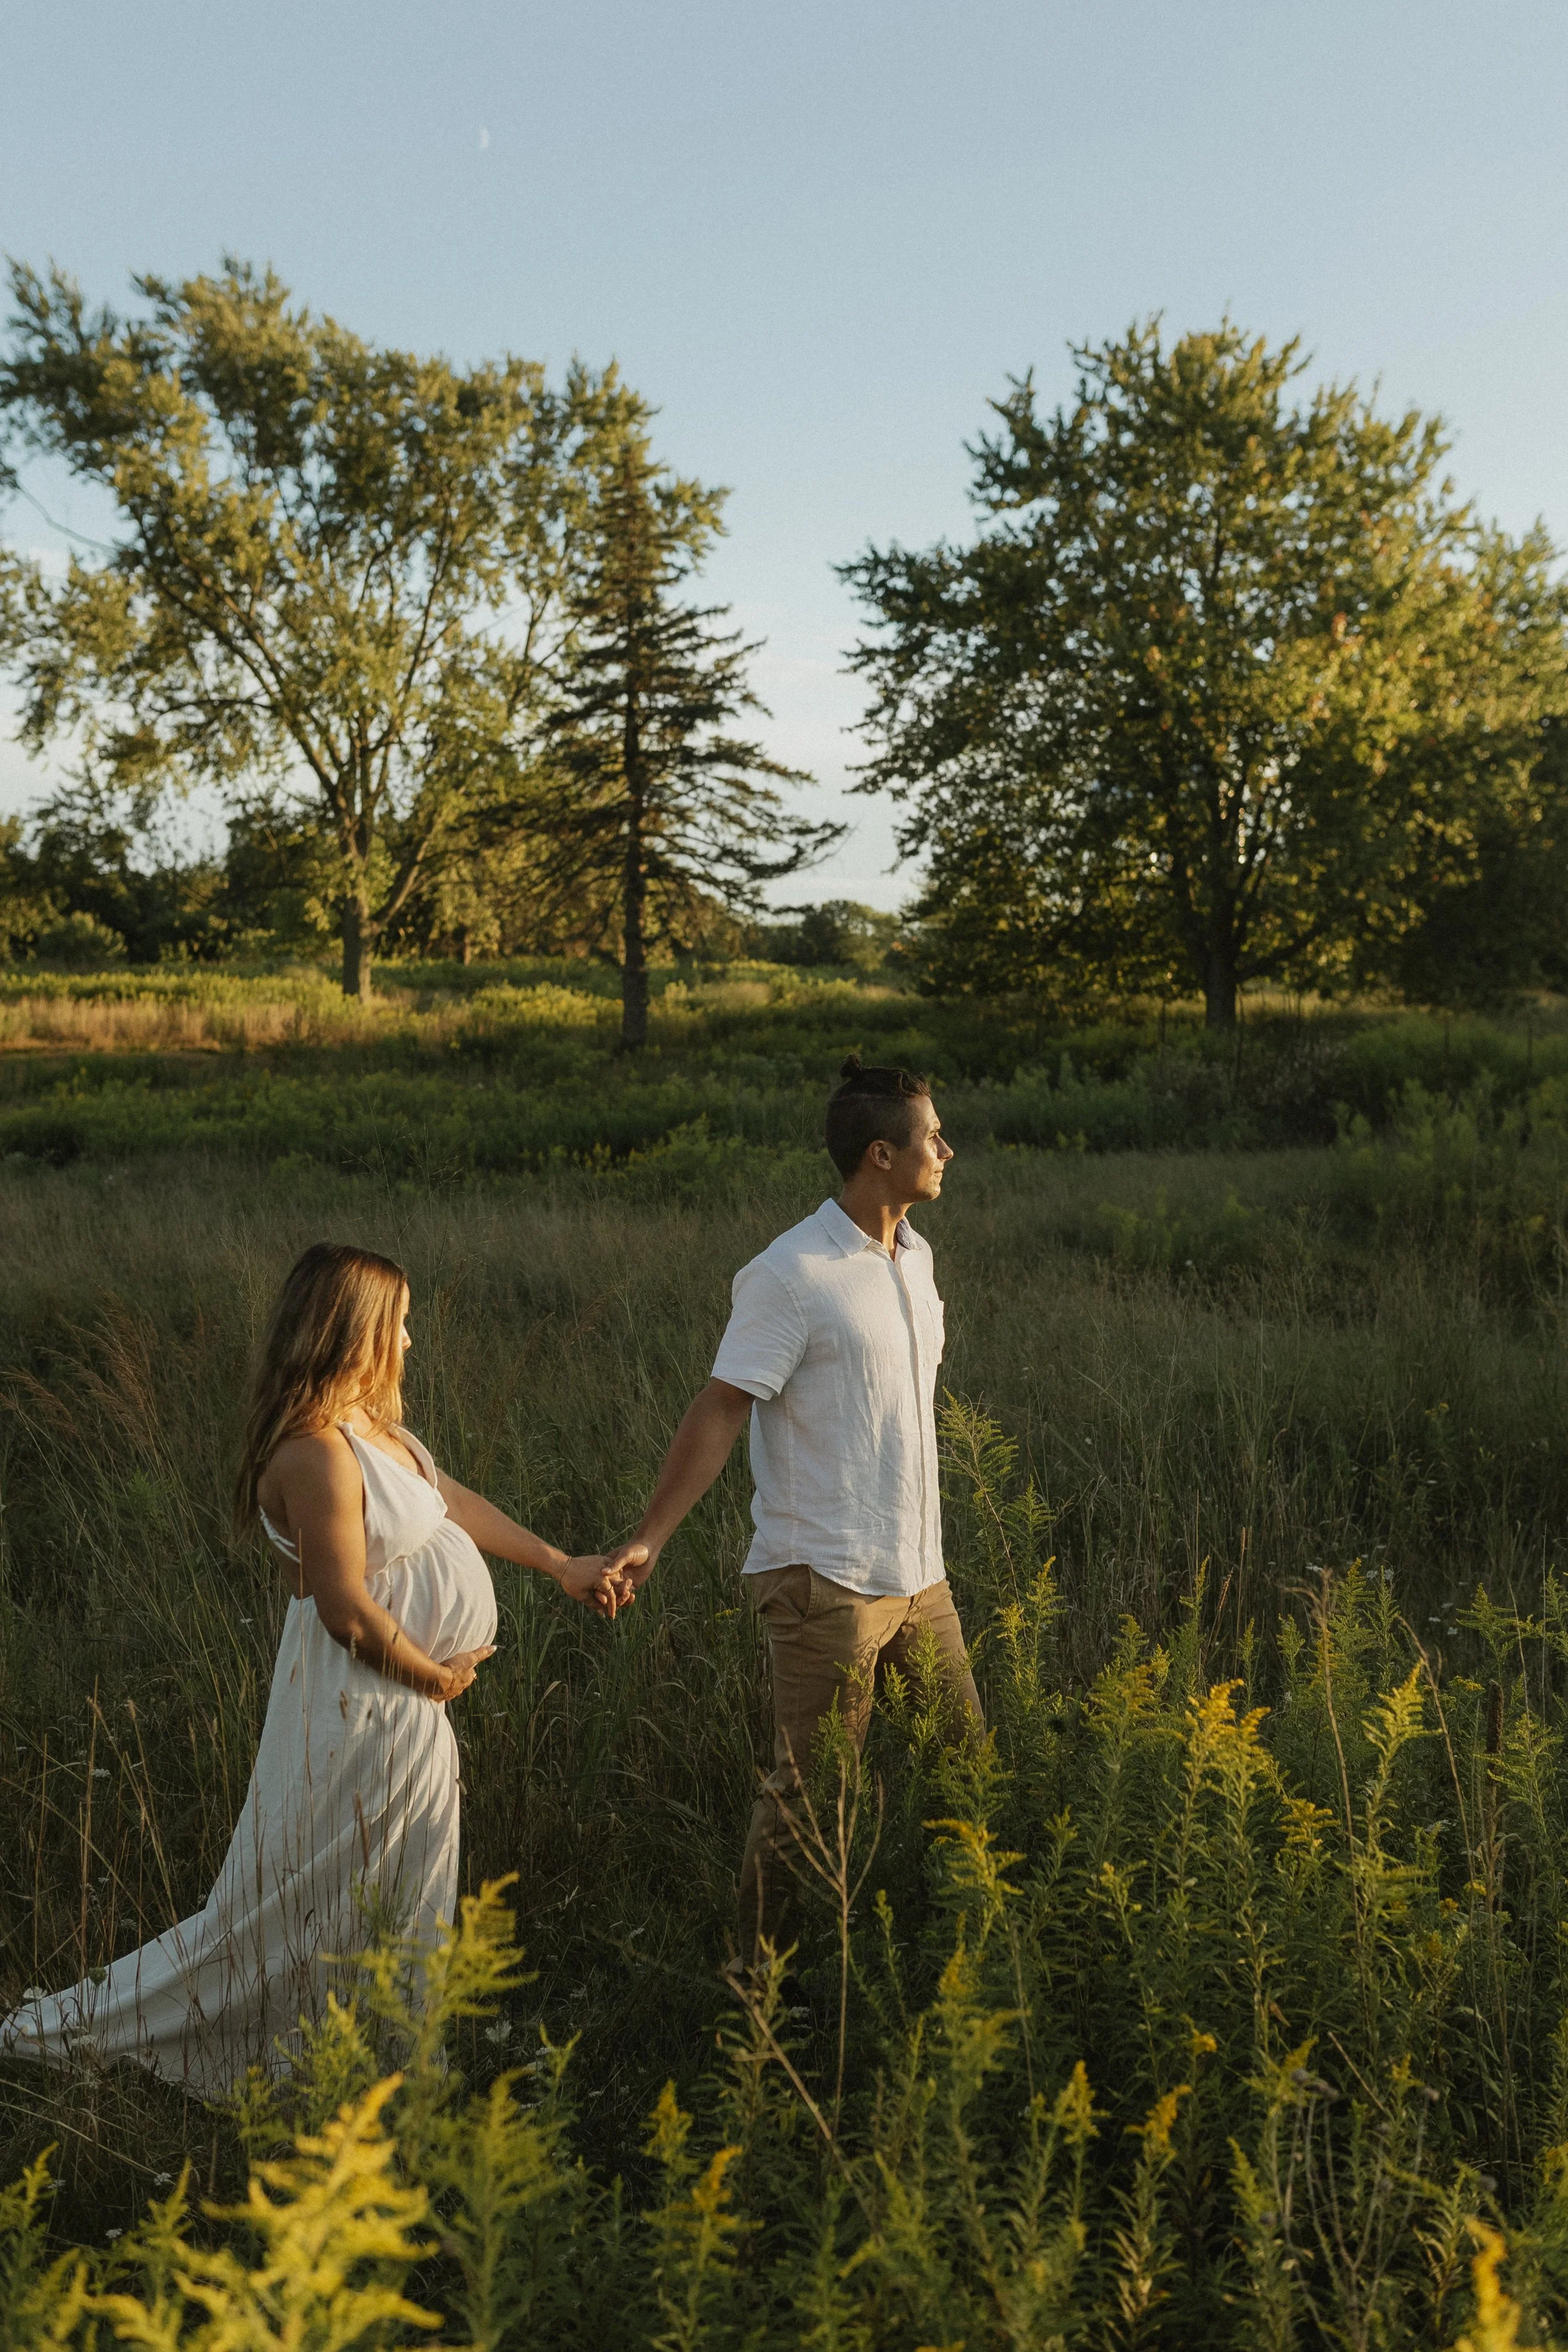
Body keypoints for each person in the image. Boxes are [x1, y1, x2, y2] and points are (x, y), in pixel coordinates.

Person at [1, 1241, 622, 2099]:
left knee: (396, 1883)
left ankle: (388, 2055)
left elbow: (452, 1504)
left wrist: (559, 1562)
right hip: (364, 1700)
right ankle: (110, 2037)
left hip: (403, 1706)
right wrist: (431, 1678)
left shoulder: (378, 1430)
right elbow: (344, 1606)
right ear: (354, 1332)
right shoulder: (314, 1451)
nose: (411, 1342)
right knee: (298, 1899)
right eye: (399, 1325)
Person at [607, 1056, 982, 1962]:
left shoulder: (917, 1258)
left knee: (971, 1772)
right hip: (824, 1579)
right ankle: (759, 1990)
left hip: (919, 1575)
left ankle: (975, 1954)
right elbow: (722, 1406)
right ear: (881, 1154)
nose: (949, 1149)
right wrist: (649, 1538)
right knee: (810, 1795)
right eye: (933, 1136)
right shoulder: (792, 1272)